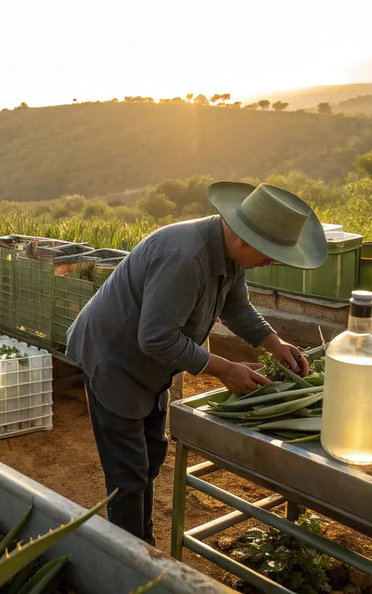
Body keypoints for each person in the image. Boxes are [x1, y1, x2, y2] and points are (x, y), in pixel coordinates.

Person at [65, 181, 327, 544]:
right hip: (114, 358)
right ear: (243, 235)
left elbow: (237, 308)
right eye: (269, 252)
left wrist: (274, 342)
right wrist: (225, 369)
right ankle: (128, 559)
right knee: (128, 473)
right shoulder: (185, 257)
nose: (272, 261)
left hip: (153, 365)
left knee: (151, 457)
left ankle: (142, 542)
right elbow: (156, 338)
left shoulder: (230, 255)